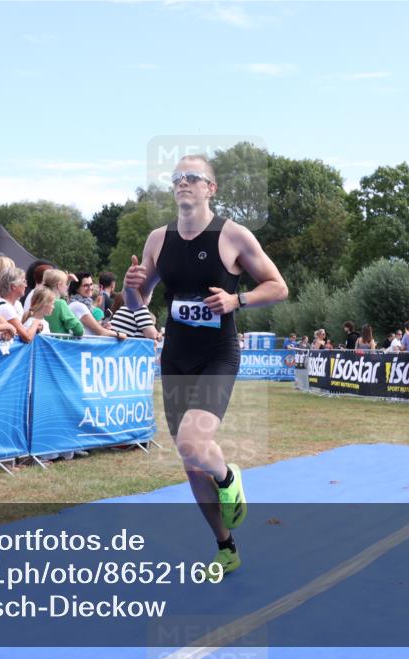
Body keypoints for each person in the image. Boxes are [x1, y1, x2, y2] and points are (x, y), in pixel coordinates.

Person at [123, 154, 288, 578]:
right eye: (177, 178)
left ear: (211, 189)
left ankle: (230, 475)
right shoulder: (158, 239)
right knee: (190, 461)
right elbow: (139, 301)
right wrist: (130, 291)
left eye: (192, 177)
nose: (183, 183)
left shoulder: (233, 236)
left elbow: (278, 286)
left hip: (218, 352)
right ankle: (225, 545)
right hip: (176, 356)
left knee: (196, 446)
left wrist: (238, 300)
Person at [68, 271, 126, 339]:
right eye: (86, 285)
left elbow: (94, 330)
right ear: (76, 288)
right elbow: (100, 332)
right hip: (83, 347)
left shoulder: (76, 303)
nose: (90, 288)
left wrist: (103, 327)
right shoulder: (79, 306)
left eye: (91, 284)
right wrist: (118, 334)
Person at [0, 268, 40, 343]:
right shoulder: (5, 307)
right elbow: (27, 337)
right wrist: (36, 322)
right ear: (13, 286)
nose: (26, 285)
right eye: (23, 282)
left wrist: (35, 327)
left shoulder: (14, 305)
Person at [40, 269, 84, 336]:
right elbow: (79, 329)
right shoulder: (60, 303)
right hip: (61, 344)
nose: (67, 286)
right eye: (66, 284)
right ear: (59, 285)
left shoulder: (39, 300)